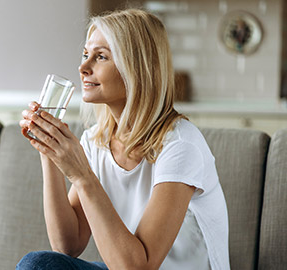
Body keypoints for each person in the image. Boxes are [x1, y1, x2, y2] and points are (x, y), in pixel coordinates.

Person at [17, 8, 230, 270]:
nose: (83, 67)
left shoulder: (180, 146)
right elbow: (68, 246)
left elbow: (139, 267)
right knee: (38, 264)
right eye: (86, 55)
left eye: (100, 57)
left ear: (136, 68)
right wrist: (49, 151)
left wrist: (83, 176)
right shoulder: (96, 141)